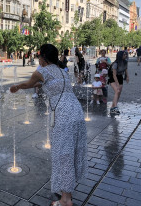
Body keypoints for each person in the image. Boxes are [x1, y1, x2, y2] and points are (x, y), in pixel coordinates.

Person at [10, 44, 87, 206]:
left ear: (43, 57)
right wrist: (37, 85)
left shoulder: (42, 71)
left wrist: (16, 87)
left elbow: (29, 84)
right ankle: (67, 195)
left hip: (63, 115)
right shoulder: (62, 71)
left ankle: (66, 200)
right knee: (71, 154)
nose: (38, 59)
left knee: (63, 155)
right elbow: (49, 85)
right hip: (77, 112)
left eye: (39, 56)